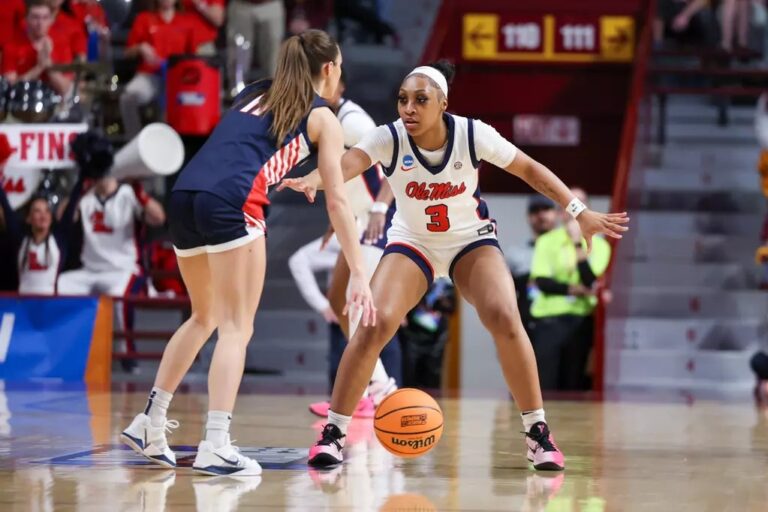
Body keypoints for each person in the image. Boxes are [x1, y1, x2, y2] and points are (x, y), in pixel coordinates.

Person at [280, 60, 628, 470]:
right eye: (403, 100)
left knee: (504, 314)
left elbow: (529, 169)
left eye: (420, 100)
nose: (408, 108)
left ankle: (538, 434)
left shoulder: (472, 133)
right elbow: (346, 166)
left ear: (443, 103)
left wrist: (577, 208)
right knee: (373, 323)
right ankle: (334, 434)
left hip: (470, 241)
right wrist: (312, 180)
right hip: (414, 243)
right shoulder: (388, 137)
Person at [120, 29, 375, 477]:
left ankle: (149, 421)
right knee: (237, 328)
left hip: (185, 194)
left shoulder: (255, 91)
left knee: (204, 317)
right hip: (233, 203)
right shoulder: (325, 118)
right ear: (331, 69)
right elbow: (339, 201)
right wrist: (358, 270)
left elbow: (240, 148)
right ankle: (216, 443)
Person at [307, 70, 399, 418]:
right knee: (339, 301)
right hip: (357, 219)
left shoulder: (353, 120)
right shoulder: (328, 121)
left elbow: (395, 158)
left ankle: (380, 389)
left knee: (358, 304)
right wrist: (337, 218)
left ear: (336, 83)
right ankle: (371, 387)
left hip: (380, 217)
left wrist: (380, 206)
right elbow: (344, 174)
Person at [529, 188, 612, 392]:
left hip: (580, 320)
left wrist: (577, 243)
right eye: (568, 205)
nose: (574, 211)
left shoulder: (600, 245)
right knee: (545, 383)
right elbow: (543, 282)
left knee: (573, 383)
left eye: (580, 205)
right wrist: (577, 289)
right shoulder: (546, 241)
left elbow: (590, 282)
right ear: (560, 211)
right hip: (548, 320)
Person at [0, 133, 83, 295]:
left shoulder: (59, 239)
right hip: (23, 305)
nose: (42, 215)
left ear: (51, 218)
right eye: (37, 211)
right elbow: (7, 209)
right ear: (29, 219)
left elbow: (72, 204)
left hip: (50, 306)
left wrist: (83, 176)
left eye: (46, 211)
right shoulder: (20, 240)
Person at [120, 0, 195, 138]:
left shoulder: (187, 21)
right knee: (128, 98)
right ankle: (135, 141)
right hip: (149, 75)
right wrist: (140, 48)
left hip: (176, 79)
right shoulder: (144, 18)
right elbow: (127, 52)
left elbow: (193, 57)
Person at [506, 195, 558, 337]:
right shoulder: (516, 254)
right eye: (535, 211)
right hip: (528, 326)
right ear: (528, 217)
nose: (541, 215)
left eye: (546, 209)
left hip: (564, 324)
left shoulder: (568, 250)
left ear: (556, 213)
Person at [2, 0, 74, 97]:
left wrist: (48, 66)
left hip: (52, 105)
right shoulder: (12, 46)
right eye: (35, 17)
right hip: (21, 104)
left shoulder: (61, 44)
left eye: (45, 18)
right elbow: (9, 88)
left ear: (51, 20)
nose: (40, 23)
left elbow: (66, 90)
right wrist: (38, 68)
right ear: (26, 18)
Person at [226, 0, 285, 83]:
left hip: (271, 4)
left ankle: (276, 93)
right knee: (238, 57)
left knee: (274, 58)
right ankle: (237, 93)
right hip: (241, 5)